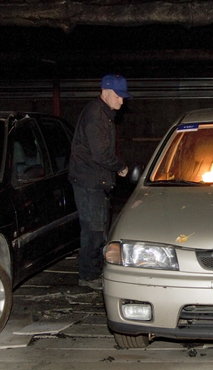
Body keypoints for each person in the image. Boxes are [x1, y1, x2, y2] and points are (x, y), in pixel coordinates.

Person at [69, 74, 130, 290]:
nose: (121, 101)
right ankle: (88, 275)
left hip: (96, 180)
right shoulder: (96, 115)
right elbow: (100, 154)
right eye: (118, 96)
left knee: (99, 228)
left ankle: (94, 270)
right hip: (89, 181)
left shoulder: (103, 113)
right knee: (93, 230)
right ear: (105, 92)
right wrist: (120, 166)